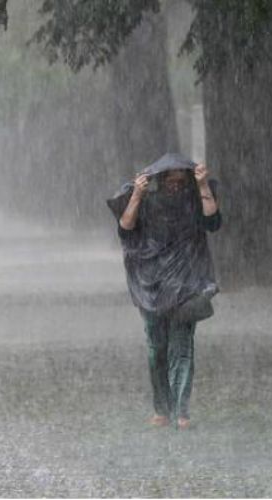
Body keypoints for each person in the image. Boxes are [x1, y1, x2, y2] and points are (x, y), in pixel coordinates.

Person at [107, 153, 222, 430]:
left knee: (182, 349)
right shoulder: (145, 201)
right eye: (170, 181)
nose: (175, 187)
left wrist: (203, 185)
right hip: (151, 285)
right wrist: (136, 194)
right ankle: (162, 409)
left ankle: (181, 411)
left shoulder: (195, 200)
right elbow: (125, 229)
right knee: (156, 349)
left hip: (187, 283)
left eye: (181, 181)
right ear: (158, 181)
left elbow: (213, 223)